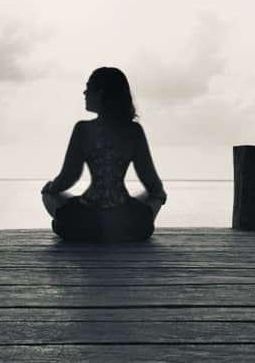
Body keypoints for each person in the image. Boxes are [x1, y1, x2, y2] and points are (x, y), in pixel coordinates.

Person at [41, 67, 167, 243]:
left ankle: (71, 225)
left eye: (88, 88)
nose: (84, 93)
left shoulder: (82, 129)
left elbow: (68, 177)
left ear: (100, 93)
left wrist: (50, 188)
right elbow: (151, 181)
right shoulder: (133, 131)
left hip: (84, 223)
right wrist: (159, 195)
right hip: (127, 225)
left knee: (48, 195)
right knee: (154, 195)